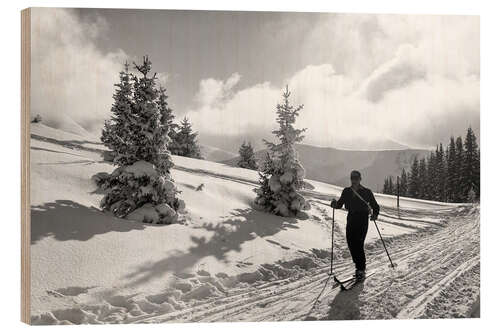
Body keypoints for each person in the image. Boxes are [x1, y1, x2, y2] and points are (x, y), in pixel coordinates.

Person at [330, 170, 380, 280]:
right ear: (351, 179)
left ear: (360, 179)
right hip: (351, 218)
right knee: (350, 242)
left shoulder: (367, 192)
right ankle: (358, 265)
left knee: (358, 243)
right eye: (352, 178)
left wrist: (375, 214)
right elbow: (340, 204)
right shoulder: (346, 191)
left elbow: (375, 206)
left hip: (362, 219)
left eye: (356, 178)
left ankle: (361, 269)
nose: (354, 180)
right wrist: (334, 204)